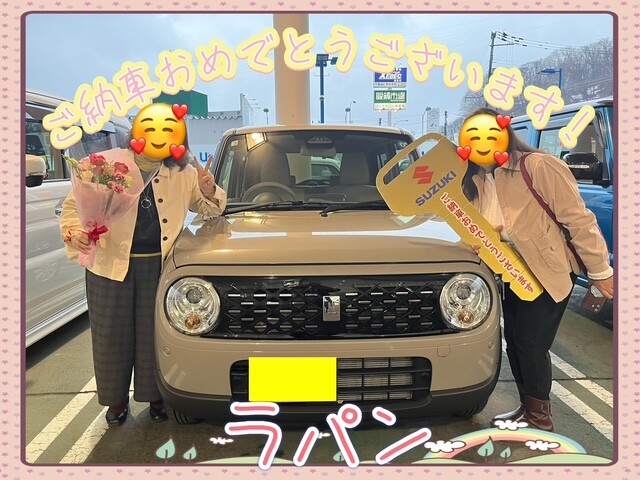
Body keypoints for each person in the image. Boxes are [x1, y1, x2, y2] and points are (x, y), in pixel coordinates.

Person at [460, 107, 613, 431]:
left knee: (531, 343)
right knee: (515, 340)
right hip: (510, 271)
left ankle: (540, 418)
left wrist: (601, 271)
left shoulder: (539, 166)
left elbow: (579, 221)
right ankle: (528, 408)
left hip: (547, 268)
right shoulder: (476, 179)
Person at [60, 140, 226, 426]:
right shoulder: (104, 165)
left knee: (155, 336)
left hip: (158, 266)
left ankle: (156, 397)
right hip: (109, 265)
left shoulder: (184, 172)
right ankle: (116, 400)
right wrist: (75, 232)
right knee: (111, 335)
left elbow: (210, 210)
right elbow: (73, 206)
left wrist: (208, 189)